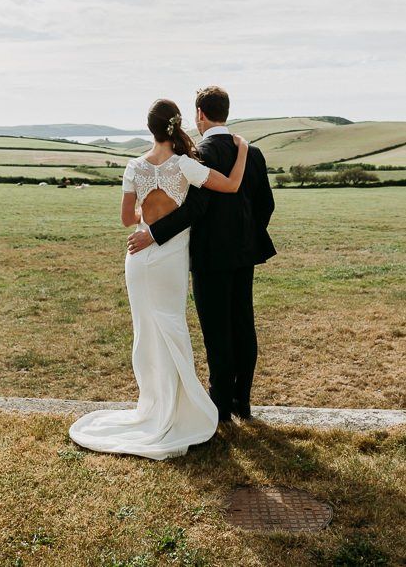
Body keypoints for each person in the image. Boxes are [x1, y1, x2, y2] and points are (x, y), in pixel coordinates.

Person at [68, 98, 249, 460]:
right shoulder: (185, 165)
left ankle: (152, 405)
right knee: (172, 325)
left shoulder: (134, 166)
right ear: (176, 125)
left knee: (146, 331)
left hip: (137, 258)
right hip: (168, 260)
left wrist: (145, 215)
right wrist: (242, 149)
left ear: (150, 128)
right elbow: (230, 186)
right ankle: (178, 408)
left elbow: (126, 220)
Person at [127, 86, 276, 423]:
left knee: (216, 330)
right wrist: (248, 237)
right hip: (244, 254)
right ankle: (243, 402)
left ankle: (220, 406)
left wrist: (153, 233)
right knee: (243, 326)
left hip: (210, 257)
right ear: (225, 111)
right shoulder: (252, 153)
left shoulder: (200, 153)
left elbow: (194, 208)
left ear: (200, 114)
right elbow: (265, 204)